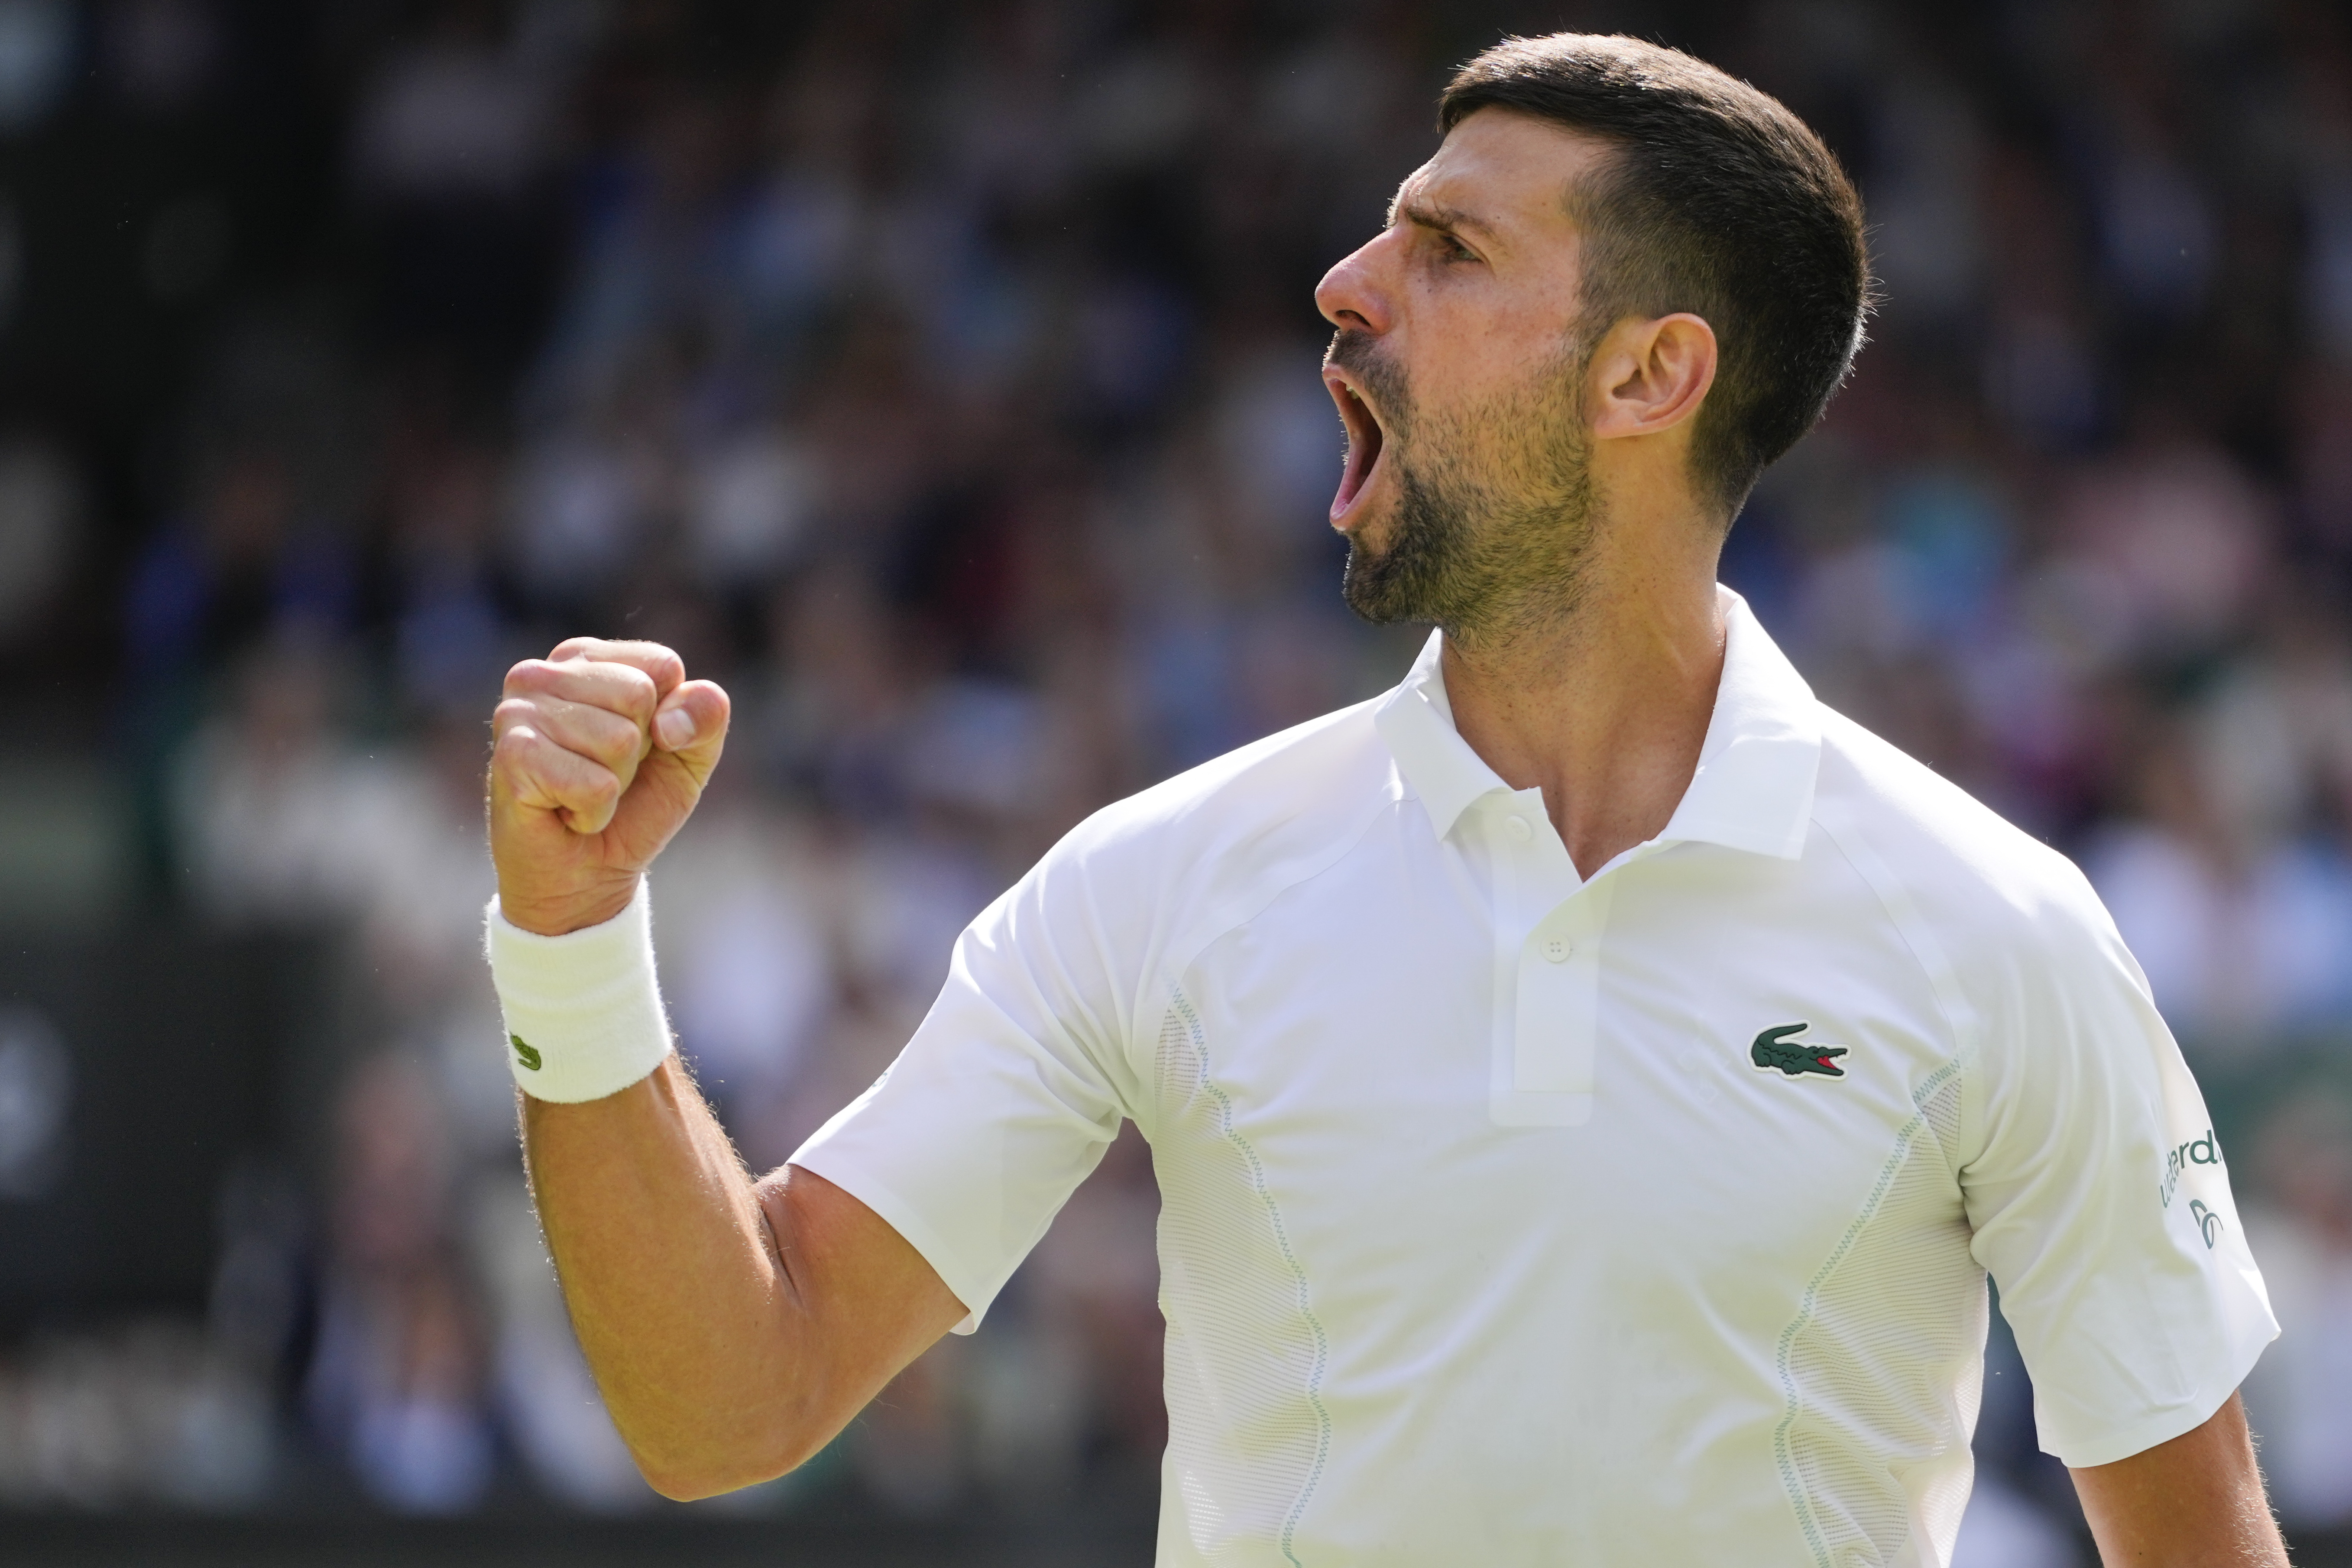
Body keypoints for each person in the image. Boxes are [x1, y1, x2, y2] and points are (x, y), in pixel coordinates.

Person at [483, 34, 2285, 1566]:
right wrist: (571, 941)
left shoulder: (2001, 932)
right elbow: (736, 1398)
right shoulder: (1154, 881)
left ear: (1648, 373)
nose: (1347, 281)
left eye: (1445, 247)